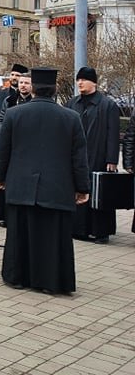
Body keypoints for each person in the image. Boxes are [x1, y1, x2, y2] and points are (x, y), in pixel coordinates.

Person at [0, 67, 90, 294]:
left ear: (33, 89)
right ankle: (51, 281)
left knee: (19, 234)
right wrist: (82, 188)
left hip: (21, 185)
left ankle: (17, 277)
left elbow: (2, 150)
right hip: (57, 188)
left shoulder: (14, 114)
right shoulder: (71, 117)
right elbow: (79, 158)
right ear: (55, 89)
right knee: (52, 237)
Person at [67, 66, 121, 243]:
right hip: (77, 157)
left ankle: (100, 231)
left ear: (94, 82)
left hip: (98, 156)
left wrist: (112, 159)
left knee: (99, 193)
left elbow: (113, 133)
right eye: (78, 79)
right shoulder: (72, 103)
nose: (80, 83)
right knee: (77, 190)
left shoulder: (107, 105)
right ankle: (78, 229)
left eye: (84, 79)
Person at [0, 64, 28, 223]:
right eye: (13, 74)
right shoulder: (3, 96)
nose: (15, 78)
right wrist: (1, 131)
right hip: (3, 141)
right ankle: (0, 211)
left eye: (18, 76)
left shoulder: (29, 99)